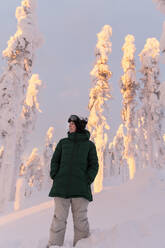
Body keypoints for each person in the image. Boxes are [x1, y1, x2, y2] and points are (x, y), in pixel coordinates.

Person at [47, 114, 99, 247]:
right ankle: (54, 246)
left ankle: (82, 245)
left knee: (81, 221)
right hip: (61, 188)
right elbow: (55, 160)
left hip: (80, 190)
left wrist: (87, 179)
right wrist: (55, 175)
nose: (70, 126)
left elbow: (94, 165)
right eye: (69, 124)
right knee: (58, 220)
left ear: (79, 126)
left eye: (72, 124)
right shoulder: (63, 143)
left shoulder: (89, 145)